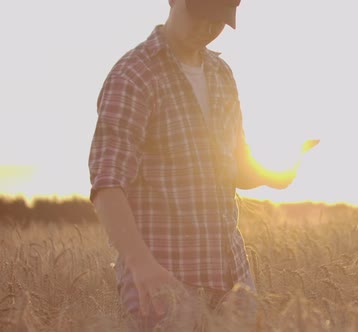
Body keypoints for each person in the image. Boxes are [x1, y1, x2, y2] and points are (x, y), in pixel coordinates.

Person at [88, 0, 307, 330]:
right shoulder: (133, 76)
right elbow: (107, 183)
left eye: (218, 21)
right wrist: (140, 265)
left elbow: (234, 166)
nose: (208, 27)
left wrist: (276, 175)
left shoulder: (222, 74)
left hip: (232, 278)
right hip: (166, 278)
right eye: (201, 15)